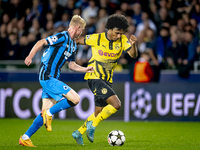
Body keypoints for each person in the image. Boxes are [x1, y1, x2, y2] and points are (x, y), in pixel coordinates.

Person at [19, 15, 94, 147]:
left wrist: (85, 69)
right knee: (75, 99)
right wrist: (30, 56)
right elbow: (41, 42)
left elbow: (72, 65)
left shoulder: (73, 46)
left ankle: (25, 137)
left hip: (53, 78)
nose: (81, 33)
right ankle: (49, 113)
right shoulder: (62, 36)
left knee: (43, 115)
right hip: (47, 76)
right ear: (77, 28)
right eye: (81, 30)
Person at [72, 14, 138, 145]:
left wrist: (134, 45)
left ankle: (78, 132)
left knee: (98, 112)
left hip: (107, 80)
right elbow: (77, 41)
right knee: (116, 104)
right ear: (110, 29)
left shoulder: (123, 40)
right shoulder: (97, 38)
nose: (118, 36)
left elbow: (133, 55)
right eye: (117, 33)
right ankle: (93, 126)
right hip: (94, 77)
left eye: (121, 33)